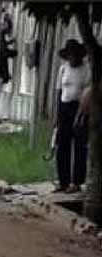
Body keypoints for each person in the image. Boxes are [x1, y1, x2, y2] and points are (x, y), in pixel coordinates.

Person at [55, 38, 90, 193]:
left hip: (80, 107)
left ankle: (76, 182)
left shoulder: (86, 70)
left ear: (80, 56)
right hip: (64, 107)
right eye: (70, 55)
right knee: (62, 145)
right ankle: (63, 181)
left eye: (75, 55)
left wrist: (81, 115)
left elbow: (86, 93)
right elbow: (59, 91)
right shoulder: (63, 69)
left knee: (79, 146)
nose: (72, 58)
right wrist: (57, 114)